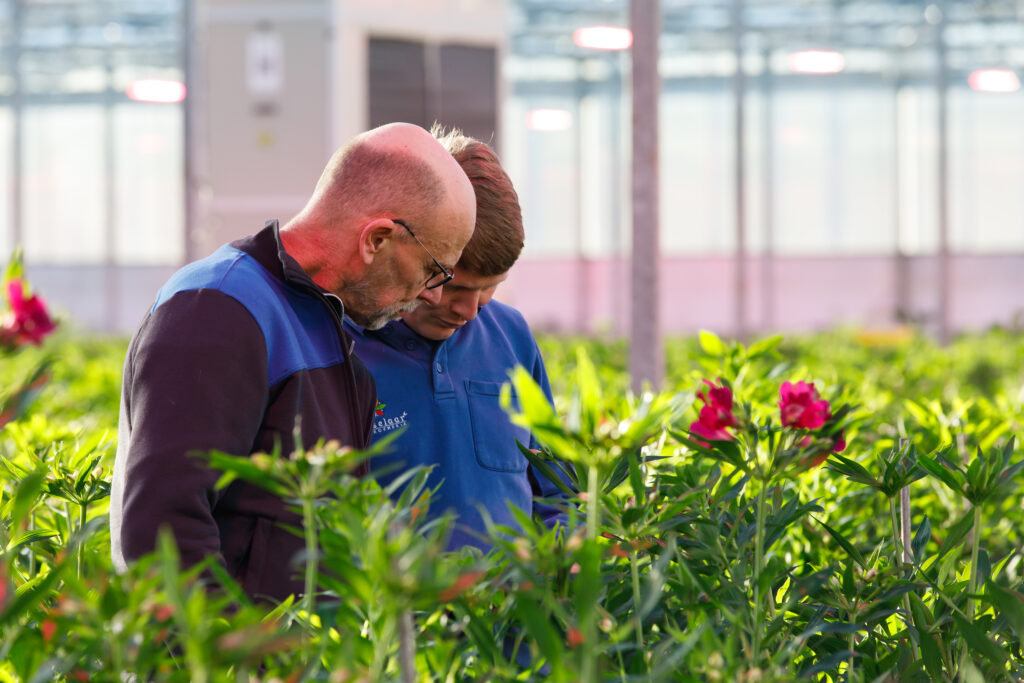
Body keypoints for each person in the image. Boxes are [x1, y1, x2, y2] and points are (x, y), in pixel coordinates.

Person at [110, 122, 476, 602]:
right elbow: (162, 535)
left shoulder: (328, 323)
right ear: (377, 239)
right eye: (434, 268)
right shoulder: (217, 307)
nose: (432, 292)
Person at [345, 130, 569, 553]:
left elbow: (559, 490)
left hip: (513, 615)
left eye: (490, 288)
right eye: (453, 286)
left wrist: (560, 564)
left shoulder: (512, 336)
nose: (470, 311)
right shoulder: (340, 346)